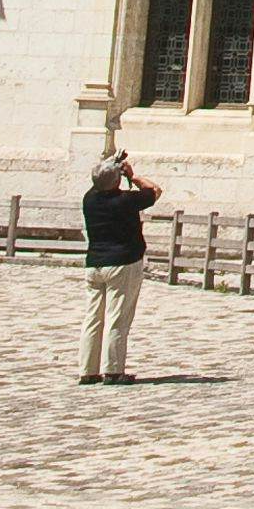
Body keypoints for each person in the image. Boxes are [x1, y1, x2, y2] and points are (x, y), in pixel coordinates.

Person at [79, 153, 160, 384]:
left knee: (92, 318)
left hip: (94, 263)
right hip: (122, 263)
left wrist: (109, 167)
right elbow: (154, 190)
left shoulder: (89, 199)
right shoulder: (125, 200)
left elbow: (99, 183)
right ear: (116, 181)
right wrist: (133, 177)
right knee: (117, 318)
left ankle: (87, 370)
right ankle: (113, 370)